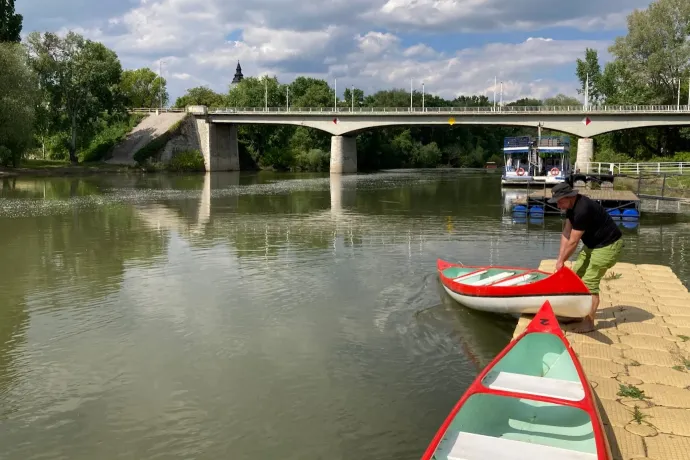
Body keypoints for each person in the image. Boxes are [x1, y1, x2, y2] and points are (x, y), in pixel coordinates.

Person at [549, 182, 624, 333]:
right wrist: (559, 260)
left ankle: (589, 323)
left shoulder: (583, 209)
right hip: (592, 245)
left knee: (590, 283)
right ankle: (575, 314)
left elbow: (574, 241)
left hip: (608, 246)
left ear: (570, 196)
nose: (558, 205)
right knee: (575, 277)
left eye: (560, 201)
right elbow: (566, 234)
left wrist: (562, 260)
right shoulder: (571, 207)